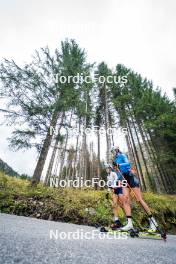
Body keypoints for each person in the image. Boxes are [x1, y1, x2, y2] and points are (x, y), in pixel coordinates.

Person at [111, 146, 158, 232]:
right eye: (111, 152)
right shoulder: (115, 159)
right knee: (125, 200)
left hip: (130, 176)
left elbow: (127, 163)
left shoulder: (122, 155)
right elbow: (118, 171)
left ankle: (152, 221)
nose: (112, 153)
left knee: (139, 200)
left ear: (117, 150)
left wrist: (119, 165)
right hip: (123, 178)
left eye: (113, 151)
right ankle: (129, 224)